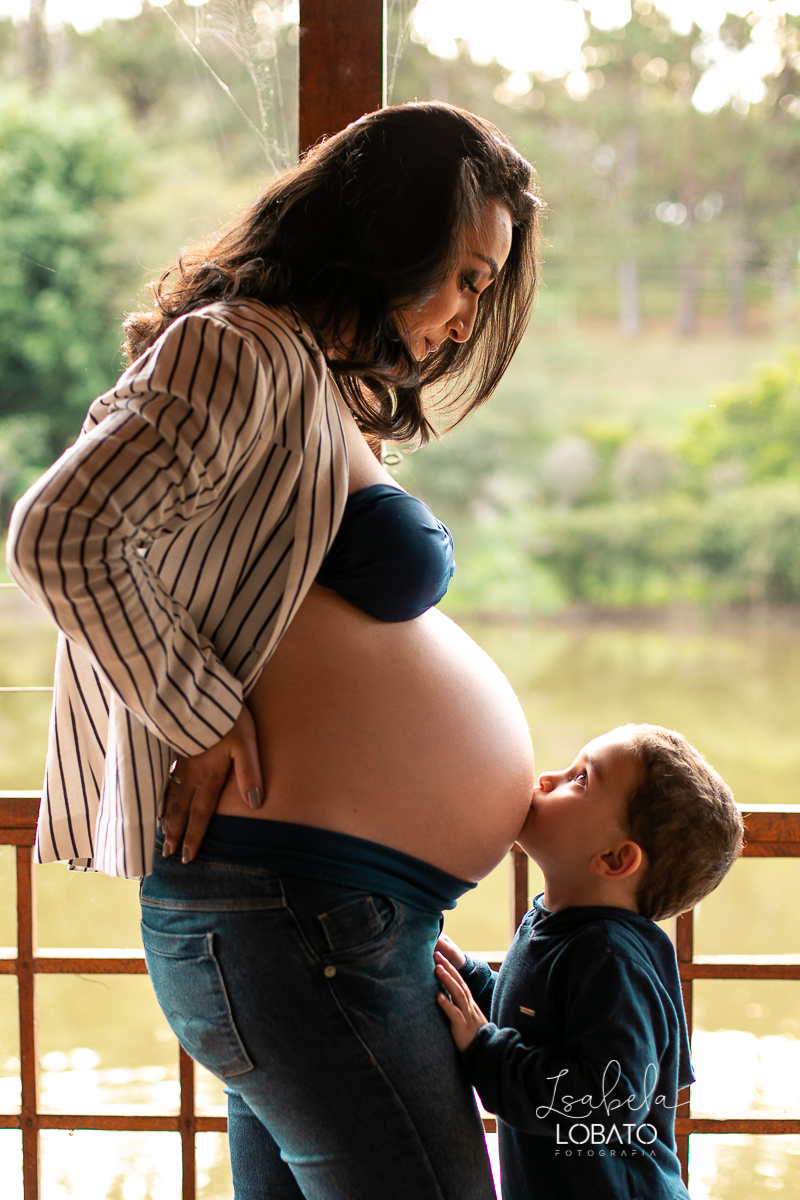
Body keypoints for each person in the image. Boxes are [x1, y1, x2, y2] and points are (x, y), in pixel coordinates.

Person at [7, 103, 543, 1199]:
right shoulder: (237, 346)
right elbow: (59, 534)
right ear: (390, 230)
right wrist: (194, 715)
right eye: (466, 276)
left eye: (486, 290)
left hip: (322, 918)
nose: (461, 315)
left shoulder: (305, 374)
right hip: (292, 918)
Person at [434, 723, 743, 1200]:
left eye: (580, 779)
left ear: (616, 859)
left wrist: (485, 1052)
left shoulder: (609, 957)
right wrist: (472, 979)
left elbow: (607, 1099)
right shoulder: (563, 924)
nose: (545, 779)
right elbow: (542, 1026)